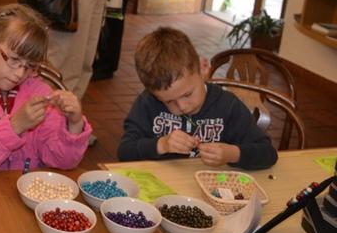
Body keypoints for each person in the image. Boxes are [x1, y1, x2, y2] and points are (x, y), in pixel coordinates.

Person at [0, 4, 92, 175]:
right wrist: (15, 126)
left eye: (30, 66)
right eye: (14, 60)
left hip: (22, 188)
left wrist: (74, 125)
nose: (20, 73)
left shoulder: (40, 93)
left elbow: (62, 161)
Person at [117, 27, 278, 170]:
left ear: (203, 68)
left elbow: (268, 153)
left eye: (187, 94)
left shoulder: (228, 106)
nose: (182, 107)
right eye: (169, 101)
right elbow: (124, 152)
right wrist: (161, 145)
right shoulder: (148, 103)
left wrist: (232, 154)